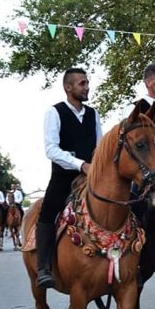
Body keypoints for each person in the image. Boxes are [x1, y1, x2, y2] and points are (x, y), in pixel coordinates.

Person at [36, 68, 103, 289]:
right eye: (82, 83)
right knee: (47, 213)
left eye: (87, 83)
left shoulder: (93, 114)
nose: (87, 87)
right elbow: (51, 150)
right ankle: (44, 268)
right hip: (64, 177)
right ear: (68, 87)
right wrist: (81, 164)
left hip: (92, 176)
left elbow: (100, 147)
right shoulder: (54, 113)